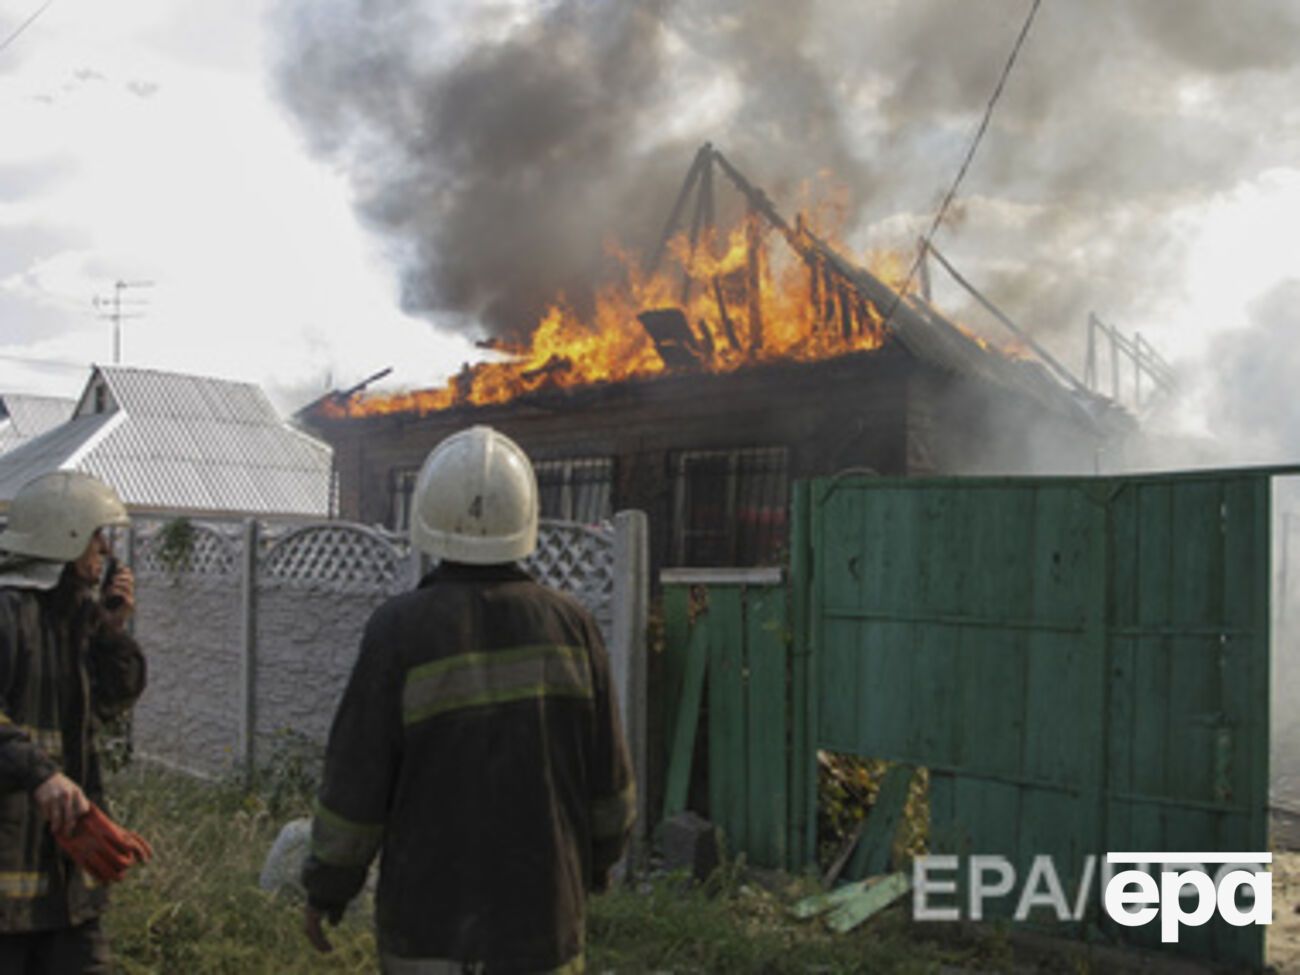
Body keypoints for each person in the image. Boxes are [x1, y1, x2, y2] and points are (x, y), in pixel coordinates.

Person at [302, 425, 635, 973]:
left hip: (428, 933)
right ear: (525, 518)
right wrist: (596, 865)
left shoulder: (397, 632)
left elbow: (355, 785)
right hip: (544, 929)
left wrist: (327, 889)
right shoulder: (572, 626)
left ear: (426, 520)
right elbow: (612, 788)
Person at [0, 470, 146, 973]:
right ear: (64, 535)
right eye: (95, 534)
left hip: (68, 883)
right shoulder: (6, 612)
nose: (104, 549)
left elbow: (111, 702)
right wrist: (40, 775)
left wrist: (112, 628)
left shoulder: (76, 616)